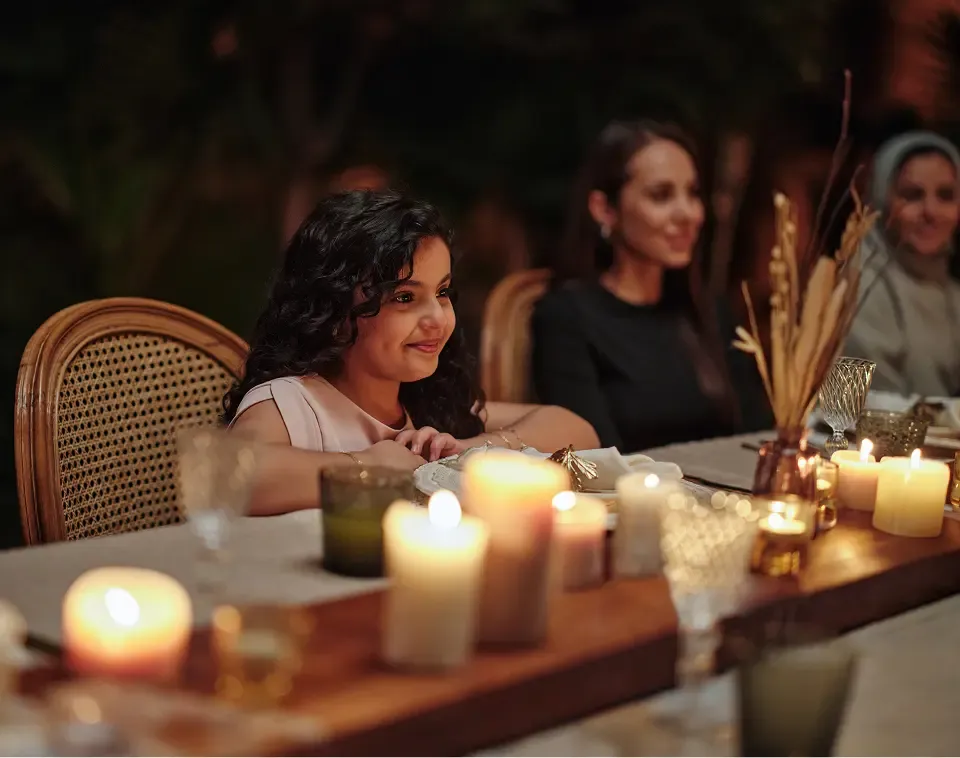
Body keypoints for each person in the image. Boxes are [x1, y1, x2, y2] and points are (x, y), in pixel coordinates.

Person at [224, 190, 598, 516]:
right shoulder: (293, 402)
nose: (437, 318)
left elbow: (576, 430)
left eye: (442, 292)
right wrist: (367, 466)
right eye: (405, 297)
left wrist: (473, 450)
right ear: (334, 312)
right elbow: (236, 475)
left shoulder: (422, 400)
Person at [530, 120, 771, 452]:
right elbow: (593, 454)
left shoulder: (706, 310)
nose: (688, 213)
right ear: (604, 209)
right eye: (661, 195)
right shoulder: (567, 317)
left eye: (693, 193)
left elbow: (757, 434)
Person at [845, 131, 960, 397]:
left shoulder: (951, 295)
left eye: (945, 195)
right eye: (912, 195)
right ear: (882, 201)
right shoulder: (859, 291)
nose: (930, 211)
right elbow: (863, 410)